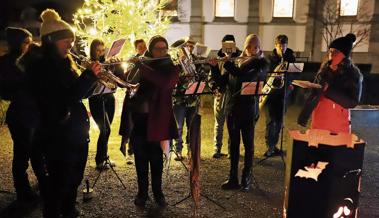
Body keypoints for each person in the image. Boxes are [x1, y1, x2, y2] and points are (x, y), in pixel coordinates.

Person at [19, 9, 101, 217]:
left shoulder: (64, 63)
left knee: (73, 179)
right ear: (51, 40)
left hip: (74, 134)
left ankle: (69, 209)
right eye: (66, 40)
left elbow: (76, 93)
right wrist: (90, 76)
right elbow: (67, 97)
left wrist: (95, 81)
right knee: (57, 184)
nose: (70, 44)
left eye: (72, 40)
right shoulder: (42, 67)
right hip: (58, 136)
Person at [209, 34, 268, 192]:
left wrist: (228, 64)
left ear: (259, 48)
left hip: (249, 110)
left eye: (255, 47)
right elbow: (222, 83)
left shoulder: (261, 63)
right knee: (233, 145)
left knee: (248, 145)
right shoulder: (237, 62)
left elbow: (243, 76)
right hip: (233, 110)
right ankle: (233, 178)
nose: (251, 50)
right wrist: (214, 66)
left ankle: (246, 177)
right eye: (248, 46)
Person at [128, 35, 179, 207]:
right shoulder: (143, 63)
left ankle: (158, 193)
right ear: (151, 49)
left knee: (156, 160)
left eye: (164, 48)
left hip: (158, 120)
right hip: (140, 119)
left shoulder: (171, 67)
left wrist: (141, 67)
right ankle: (142, 193)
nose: (162, 51)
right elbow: (127, 81)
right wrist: (130, 66)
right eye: (158, 48)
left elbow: (164, 83)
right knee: (140, 158)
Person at [0, 27, 43, 202]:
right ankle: (23, 192)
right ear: (17, 43)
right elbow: (5, 92)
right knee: (22, 155)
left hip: (33, 113)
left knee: (38, 152)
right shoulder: (6, 63)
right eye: (26, 42)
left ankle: (43, 183)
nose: (30, 45)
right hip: (20, 115)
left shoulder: (29, 60)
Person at [298, 33, 363, 133]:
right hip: (318, 122)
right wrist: (304, 116)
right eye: (330, 51)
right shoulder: (324, 70)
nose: (331, 54)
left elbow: (352, 102)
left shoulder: (352, 74)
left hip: (337, 125)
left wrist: (328, 90)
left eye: (336, 52)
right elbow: (313, 95)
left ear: (344, 55)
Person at [88, 39, 122, 170]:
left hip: (109, 97)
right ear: (93, 51)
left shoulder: (107, 63)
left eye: (102, 50)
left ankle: (104, 156)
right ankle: (99, 160)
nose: (101, 53)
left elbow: (117, 78)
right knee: (105, 129)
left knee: (107, 130)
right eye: (98, 50)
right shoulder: (90, 63)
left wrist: (115, 65)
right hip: (96, 99)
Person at [208, 34, 241, 158]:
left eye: (231, 44)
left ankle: (231, 150)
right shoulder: (218, 59)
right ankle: (217, 149)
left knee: (233, 124)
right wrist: (213, 88)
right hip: (221, 95)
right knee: (219, 123)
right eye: (225, 45)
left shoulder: (239, 58)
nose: (228, 47)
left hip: (234, 95)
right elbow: (211, 77)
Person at [264, 34, 296, 157]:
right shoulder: (270, 59)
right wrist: (277, 70)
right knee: (271, 121)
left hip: (284, 93)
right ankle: (269, 147)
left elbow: (295, 74)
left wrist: (290, 79)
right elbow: (267, 75)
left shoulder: (291, 58)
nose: (282, 48)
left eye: (284, 45)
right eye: (280, 45)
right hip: (272, 94)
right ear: (276, 45)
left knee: (279, 121)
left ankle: (275, 146)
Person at [171, 38, 202, 161]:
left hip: (193, 99)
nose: (187, 49)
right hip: (179, 99)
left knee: (192, 126)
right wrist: (180, 67)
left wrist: (195, 75)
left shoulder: (196, 61)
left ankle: (191, 150)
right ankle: (178, 150)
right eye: (185, 47)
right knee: (178, 127)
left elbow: (201, 76)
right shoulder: (175, 63)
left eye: (190, 47)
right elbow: (172, 80)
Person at [119, 39, 147, 164]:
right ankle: (130, 152)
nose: (143, 49)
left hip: (145, 97)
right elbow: (127, 77)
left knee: (144, 125)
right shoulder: (132, 60)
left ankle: (142, 151)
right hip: (133, 97)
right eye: (140, 47)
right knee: (130, 125)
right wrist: (135, 64)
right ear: (136, 49)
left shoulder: (149, 59)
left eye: (144, 46)